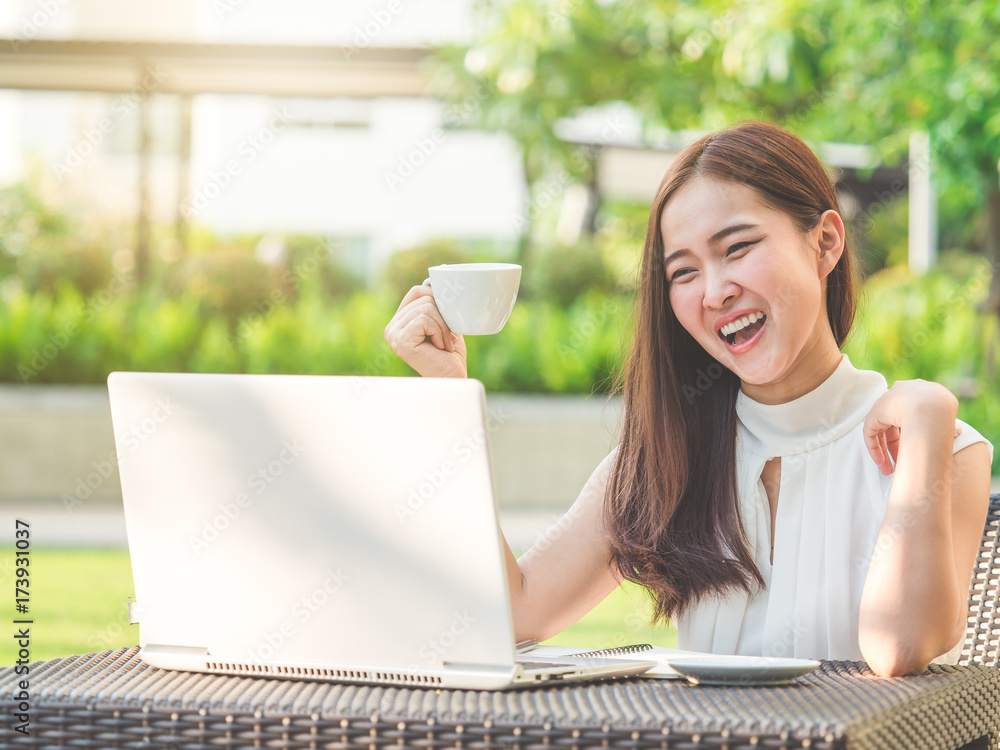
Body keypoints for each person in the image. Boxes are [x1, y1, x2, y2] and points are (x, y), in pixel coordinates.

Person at [384, 121, 994, 677]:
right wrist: (448, 397)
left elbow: (901, 648)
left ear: (826, 243)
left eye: (737, 248)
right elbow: (511, 612)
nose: (715, 292)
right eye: (683, 273)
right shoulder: (666, 454)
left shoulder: (944, 453)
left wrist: (928, 416)